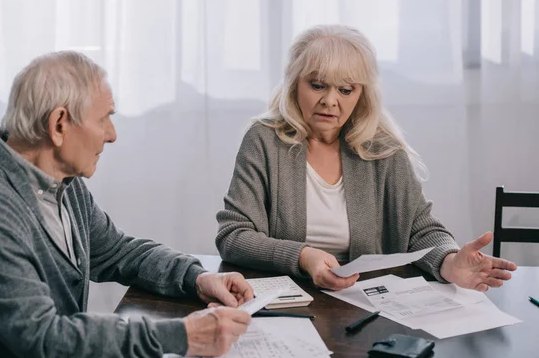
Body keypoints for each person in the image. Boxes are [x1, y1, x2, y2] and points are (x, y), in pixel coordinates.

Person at [0, 51, 253, 358]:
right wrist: (184, 335)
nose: (112, 134)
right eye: (104, 118)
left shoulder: (60, 181)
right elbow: (47, 340)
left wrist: (197, 278)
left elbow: (115, 251)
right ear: (59, 124)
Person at [216, 24, 516, 292]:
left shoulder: (383, 148)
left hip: (366, 301)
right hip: (290, 299)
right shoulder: (263, 140)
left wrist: (449, 262)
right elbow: (234, 235)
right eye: (317, 85)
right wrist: (304, 257)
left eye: (345, 89)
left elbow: (421, 230)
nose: (330, 101)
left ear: (361, 93)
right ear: (295, 83)